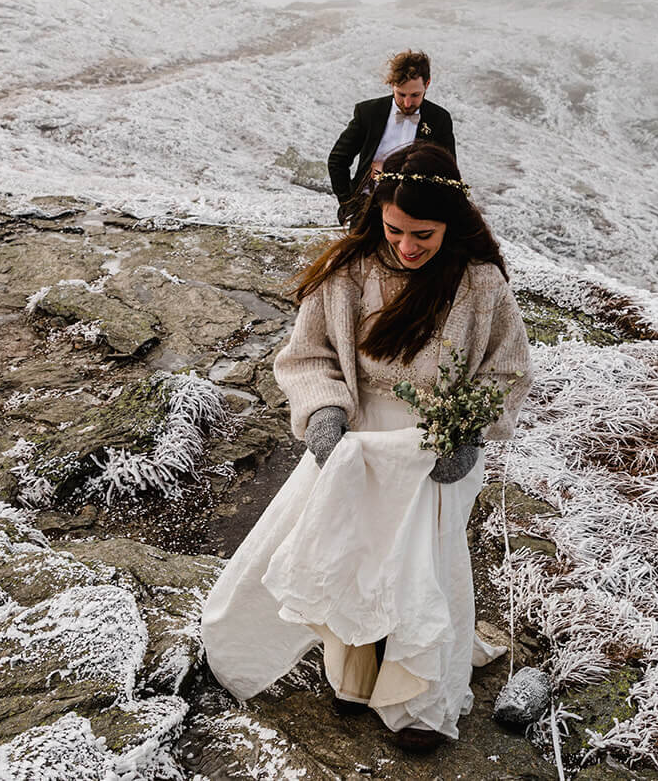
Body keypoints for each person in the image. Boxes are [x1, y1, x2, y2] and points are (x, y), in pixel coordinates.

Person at [200, 141, 531, 752]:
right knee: (343, 551)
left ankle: (416, 701)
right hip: (352, 439)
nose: (407, 246)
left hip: (434, 451)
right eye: (395, 229)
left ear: (451, 224)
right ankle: (351, 677)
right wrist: (323, 412)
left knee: (417, 569)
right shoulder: (346, 273)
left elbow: (506, 372)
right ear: (377, 211)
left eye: (424, 235)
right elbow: (308, 355)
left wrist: (467, 433)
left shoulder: (481, 286)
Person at [328, 50, 456, 227]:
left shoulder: (439, 119)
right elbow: (338, 160)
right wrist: (348, 202)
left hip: (415, 209)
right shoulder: (368, 113)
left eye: (415, 95)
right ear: (392, 85)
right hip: (368, 207)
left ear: (427, 84)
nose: (407, 103)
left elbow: (448, 171)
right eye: (401, 94)